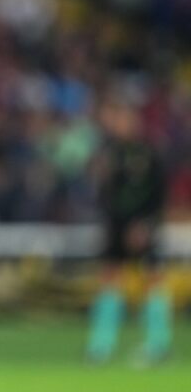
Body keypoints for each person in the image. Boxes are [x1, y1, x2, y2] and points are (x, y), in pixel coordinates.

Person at [86, 93, 171, 364]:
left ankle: (158, 344)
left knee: (152, 281)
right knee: (109, 281)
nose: (120, 124)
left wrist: (146, 225)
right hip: (116, 226)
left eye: (125, 118)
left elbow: (159, 195)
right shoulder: (108, 152)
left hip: (142, 227)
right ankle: (101, 345)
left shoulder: (148, 152)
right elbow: (105, 194)